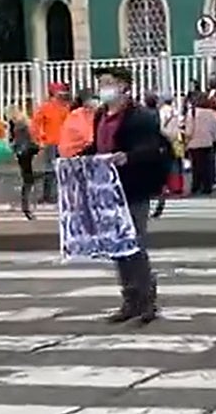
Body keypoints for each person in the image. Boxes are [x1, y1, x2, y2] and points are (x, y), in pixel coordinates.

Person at [80, 67, 170, 324]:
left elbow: (151, 148)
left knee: (134, 244)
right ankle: (129, 300)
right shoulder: (101, 116)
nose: (103, 88)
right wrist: (78, 158)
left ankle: (147, 301)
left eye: (108, 83)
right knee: (117, 247)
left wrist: (128, 156)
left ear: (123, 87)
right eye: (100, 83)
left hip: (134, 187)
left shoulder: (139, 117)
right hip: (108, 190)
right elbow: (98, 146)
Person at [30, 82, 71, 205]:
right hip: (53, 142)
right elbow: (35, 125)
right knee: (51, 170)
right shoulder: (48, 107)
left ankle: (54, 195)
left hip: (62, 142)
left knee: (55, 170)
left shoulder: (65, 107)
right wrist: (40, 139)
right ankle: (50, 195)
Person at [184, 94, 216, 196]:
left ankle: (196, 186)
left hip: (194, 142)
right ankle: (207, 186)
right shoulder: (212, 113)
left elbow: (189, 130)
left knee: (196, 166)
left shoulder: (192, 112)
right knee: (207, 165)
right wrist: (214, 138)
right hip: (208, 142)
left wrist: (186, 140)